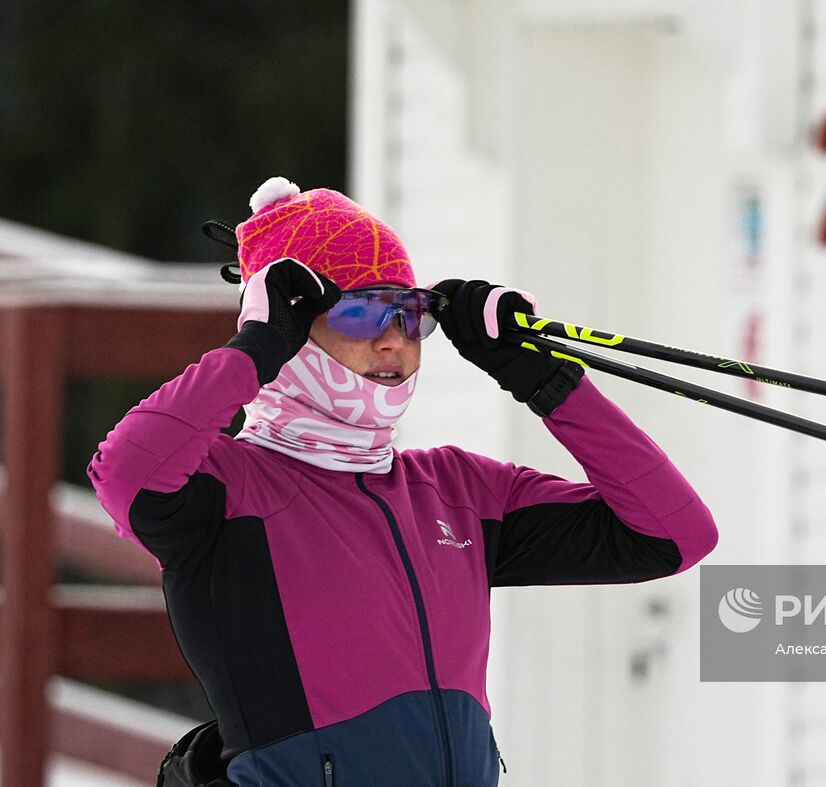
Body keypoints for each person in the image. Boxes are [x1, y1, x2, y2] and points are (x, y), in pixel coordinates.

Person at [87, 177, 719, 787]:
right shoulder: (229, 489)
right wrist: (252, 348)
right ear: (289, 328)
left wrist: (543, 380)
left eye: (410, 315)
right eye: (361, 314)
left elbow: (673, 534)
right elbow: (124, 473)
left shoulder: (458, 491)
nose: (394, 343)